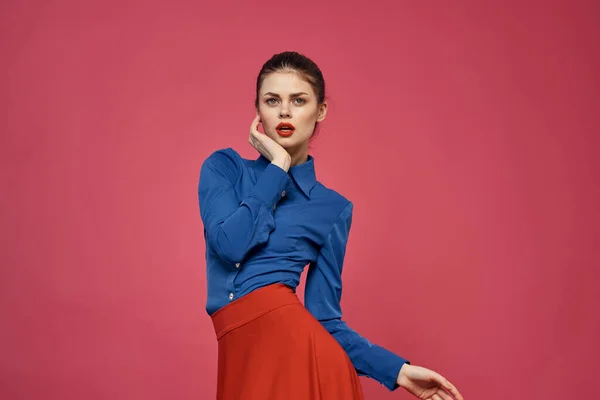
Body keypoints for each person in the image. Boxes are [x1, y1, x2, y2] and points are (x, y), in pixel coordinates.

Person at [198, 51, 464, 400]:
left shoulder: (332, 208)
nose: (285, 112)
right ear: (258, 109)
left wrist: (398, 371)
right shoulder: (224, 169)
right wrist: (278, 166)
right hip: (242, 356)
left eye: (299, 100)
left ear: (320, 110)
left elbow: (325, 319)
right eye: (272, 100)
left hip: (303, 360)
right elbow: (229, 245)